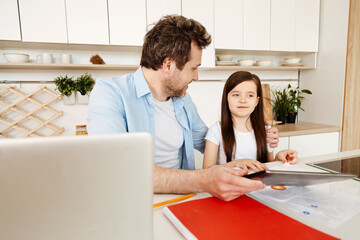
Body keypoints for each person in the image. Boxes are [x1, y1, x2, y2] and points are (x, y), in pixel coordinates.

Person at [87, 15, 279, 201]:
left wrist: (257, 137)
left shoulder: (183, 100)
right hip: (131, 203)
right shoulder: (110, 94)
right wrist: (204, 179)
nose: (196, 77)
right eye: (193, 68)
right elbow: (116, 168)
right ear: (168, 64)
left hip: (182, 201)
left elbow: (212, 142)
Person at [203, 71, 298, 171]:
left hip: (257, 185)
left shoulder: (266, 130)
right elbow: (207, 170)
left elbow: (268, 166)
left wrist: (278, 159)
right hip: (228, 186)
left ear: (257, 101)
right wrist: (237, 164)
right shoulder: (216, 130)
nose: (243, 100)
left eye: (250, 95)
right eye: (236, 95)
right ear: (226, 98)